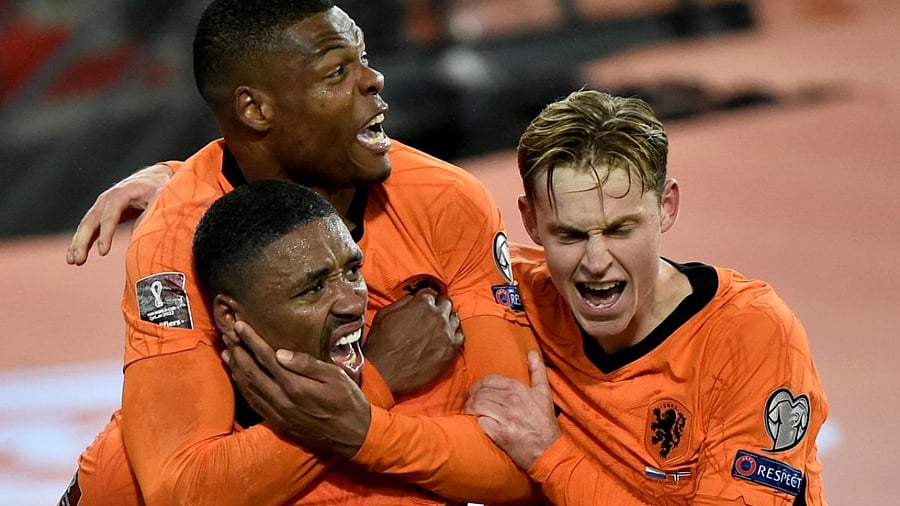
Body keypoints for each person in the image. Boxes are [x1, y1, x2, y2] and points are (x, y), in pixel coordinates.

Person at [59, 1, 538, 505]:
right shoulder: (177, 236)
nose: (374, 79)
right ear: (255, 109)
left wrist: (357, 424)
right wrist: (368, 383)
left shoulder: (445, 200)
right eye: (337, 71)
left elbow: (516, 456)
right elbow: (182, 490)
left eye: (364, 57)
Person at [464, 89, 829, 505]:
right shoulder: (505, 296)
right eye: (570, 235)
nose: (596, 261)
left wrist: (548, 454)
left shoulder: (750, 336)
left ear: (667, 207)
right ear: (530, 221)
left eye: (620, 230)